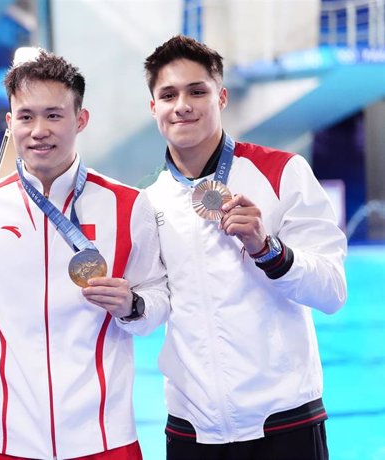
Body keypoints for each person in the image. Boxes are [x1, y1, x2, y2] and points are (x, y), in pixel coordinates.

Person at [0, 50, 170, 459]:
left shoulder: (127, 205)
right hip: (7, 440)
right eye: (26, 116)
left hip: (104, 437)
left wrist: (133, 305)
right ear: (9, 122)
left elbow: (159, 299)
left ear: (80, 120)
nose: (39, 131)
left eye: (54, 115)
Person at [142, 34, 348, 460]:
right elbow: (153, 311)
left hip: (284, 421)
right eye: (169, 94)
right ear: (154, 108)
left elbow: (332, 292)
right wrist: (130, 305)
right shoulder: (148, 203)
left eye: (197, 91)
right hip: (191, 429)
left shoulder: (282, 172)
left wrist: (267, 250)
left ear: (221, 97)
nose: (183, 104)